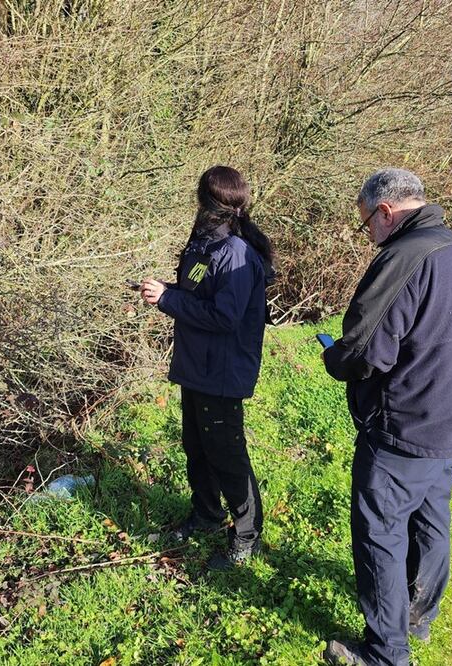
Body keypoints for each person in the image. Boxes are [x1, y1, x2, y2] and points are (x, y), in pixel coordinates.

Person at [321, 168, 452, 665]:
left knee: (380, 533)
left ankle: (386, 652)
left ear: (386, 212)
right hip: (449, 417)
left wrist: (334, 357)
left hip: (402, 425)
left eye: (366, 222)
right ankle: (419, 618)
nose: (367, 233)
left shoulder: (401, 258)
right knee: (431, 521)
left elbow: (367, 350)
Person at [139, 165, 275, 570]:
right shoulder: (204, 246)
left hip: (223, 373)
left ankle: (247, 535)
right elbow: (199, 294)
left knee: (227, 456)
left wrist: (168, 300)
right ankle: (205, 515)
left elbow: (224, 316)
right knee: (197, 448)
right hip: (196, 367)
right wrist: (167, 292)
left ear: (207, 202)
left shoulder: (234, 253)